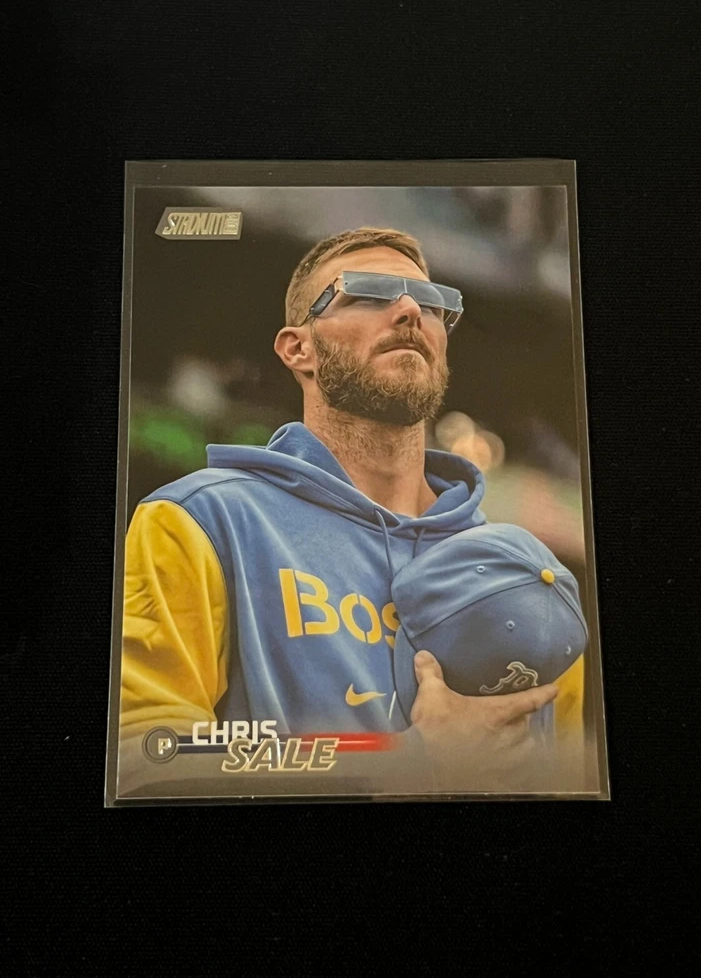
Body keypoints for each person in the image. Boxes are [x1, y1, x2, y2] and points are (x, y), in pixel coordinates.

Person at [120, 226, 584, 782]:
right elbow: (147, 757)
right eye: (368, 293)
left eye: (432, 303)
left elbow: (572, 781)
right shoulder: (201, 522)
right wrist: (405, 760)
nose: (410, 310)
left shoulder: (528, 575)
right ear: (299, 349)